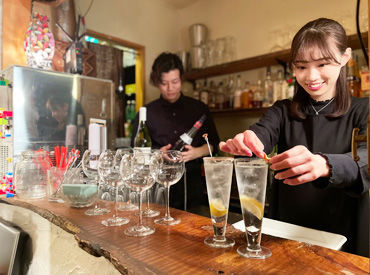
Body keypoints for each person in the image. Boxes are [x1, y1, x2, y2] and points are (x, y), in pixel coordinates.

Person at [220, 18, 368, 257]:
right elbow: (262, 131)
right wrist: (248, 140)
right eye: (301, 67)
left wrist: (325, 164)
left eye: (322, 64)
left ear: (345, 57)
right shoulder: (283, 111)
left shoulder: (363, 110)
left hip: (344, 240)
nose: (311, 76)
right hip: (284, 235)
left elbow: (366, 161)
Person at [131, 52, 220, 210]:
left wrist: (197, 152)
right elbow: (136, 151)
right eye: (164, 83)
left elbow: (214, 144)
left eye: (175, 81)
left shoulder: (199, 108)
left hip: (192, 185)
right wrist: (157, 154)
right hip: (157, 186)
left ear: (181, 79)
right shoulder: (146, 113)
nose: (170, 88)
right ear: (157, 82)